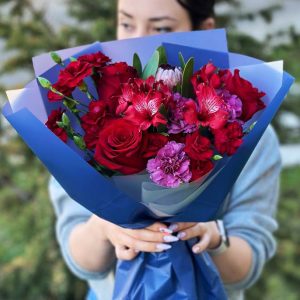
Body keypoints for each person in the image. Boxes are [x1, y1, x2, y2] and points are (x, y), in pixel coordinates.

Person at [49, 1, 281, 299]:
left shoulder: (246, 132)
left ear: (203, 29)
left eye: (161, 27)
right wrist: (104, 228)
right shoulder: (84, 120)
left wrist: (212, 239)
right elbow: (81, 260)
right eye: (127, 23)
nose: (137, 40)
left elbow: (248, 264)